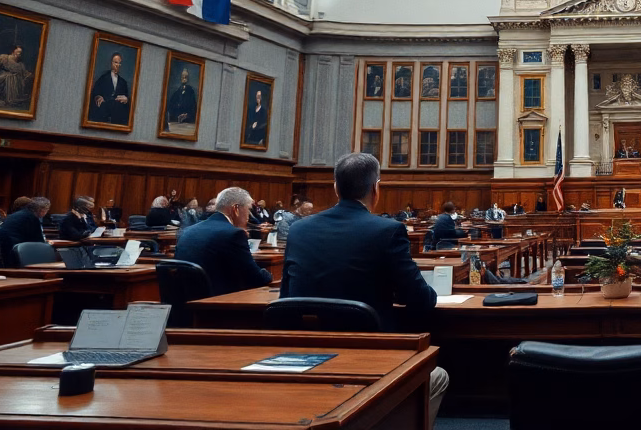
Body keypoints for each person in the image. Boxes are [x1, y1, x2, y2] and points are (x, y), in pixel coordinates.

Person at [280, 152, 447, 424]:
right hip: (369, 354)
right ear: (375, 188)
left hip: (306, 354)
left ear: (335, 188)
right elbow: (420, 299)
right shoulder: (387, 230)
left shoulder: (299, 230)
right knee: (438, 377)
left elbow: (286, 296)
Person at [175, 187, 273, 295]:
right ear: (236, 209)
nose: (248, 216)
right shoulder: (233, 234)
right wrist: (268, 274)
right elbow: (256, 279)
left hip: (185, 301)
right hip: (217, 304)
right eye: (248, 209)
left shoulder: (188, 231)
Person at [0, 197, 50, 267]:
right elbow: (38, 240)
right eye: (47, 210)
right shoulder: (31, 218)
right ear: (42, 210)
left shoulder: (18, 214)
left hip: (6, 249)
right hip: (16, 252)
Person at [87, 52, 133, 125]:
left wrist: (126, 100)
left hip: (117, 117)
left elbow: (128, 99)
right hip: (103, 114)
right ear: (111, 63)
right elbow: (95, 93)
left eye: (119, 63)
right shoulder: (103, 78)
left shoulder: (123, 82)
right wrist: (97, 97)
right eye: (115, 62)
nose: (117, 65)